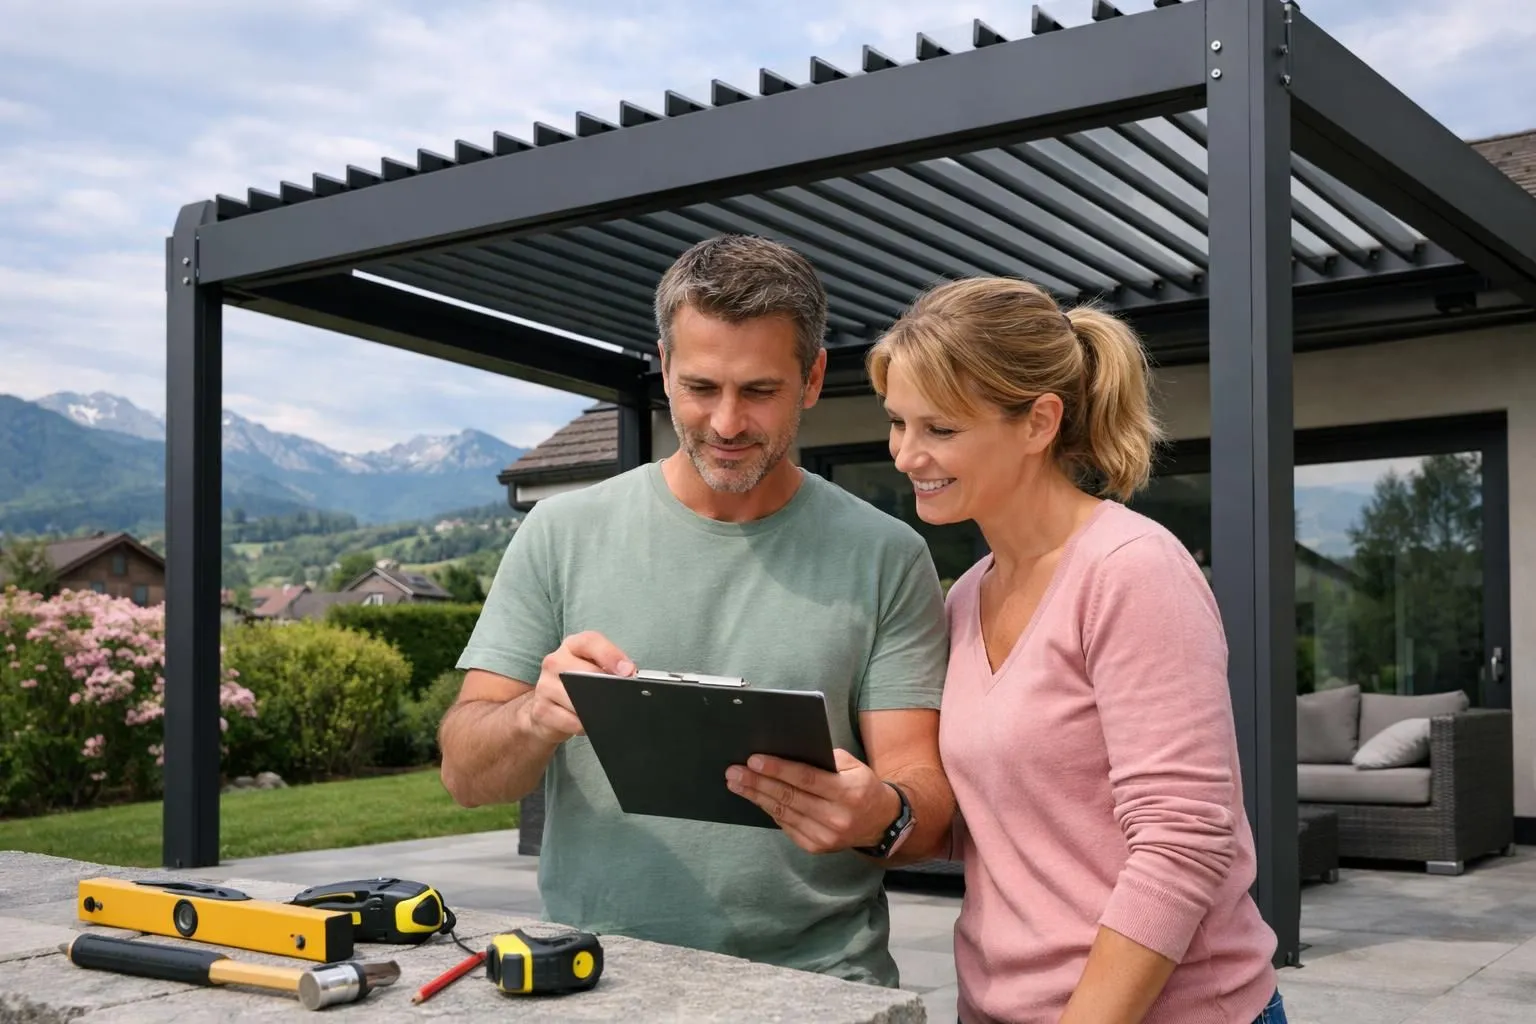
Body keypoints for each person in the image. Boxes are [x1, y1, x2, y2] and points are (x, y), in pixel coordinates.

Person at [437, 233, 954, 988]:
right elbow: (464, 773)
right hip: (597, 981)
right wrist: (533, 718)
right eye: (701, 387)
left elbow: (926, 798)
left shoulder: (886, 555)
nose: (727, 422)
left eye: (760, 391)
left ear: (812, 379)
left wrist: (881, 812)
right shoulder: (559, 534)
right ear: (665, 369)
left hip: (817, 985)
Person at [865, 277, 1285, 1024]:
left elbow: (1183, 844)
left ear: (1038, 423)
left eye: (940, 429)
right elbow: (1023, 828)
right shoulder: (967, 597)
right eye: (898, 423)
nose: (905, 455)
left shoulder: (1130, 571)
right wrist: (868, 809)